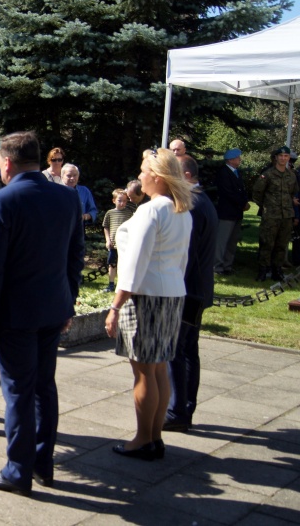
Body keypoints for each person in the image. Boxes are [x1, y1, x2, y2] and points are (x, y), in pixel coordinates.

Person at [0, 131, 84, 495]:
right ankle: (42, 464)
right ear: (38, 160)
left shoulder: (2, 201)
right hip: (53, 308)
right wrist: (68, 303)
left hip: (15, 315)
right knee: (43, 388)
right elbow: (75, 257)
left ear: (6, 163)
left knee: (18, 392)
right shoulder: (67, 199)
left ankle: (18, 471)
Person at [105, 147, 192, 462]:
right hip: (170, 294)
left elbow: (134, 265)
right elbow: (181, 260)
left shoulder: (152, 210)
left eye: (143, 170)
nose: (140, 176)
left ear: (156, 175)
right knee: (157, 371)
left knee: (144, 373)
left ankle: (144, 438)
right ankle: (154, 438)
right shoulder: (180, 209)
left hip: (144, 298)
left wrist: (115, 307)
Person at [165, 158, 218, 433]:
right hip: (197, 288)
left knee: (179, 351)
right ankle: (184, 407)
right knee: (187, 350)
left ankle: (178, 410)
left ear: (186, 175)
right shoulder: (201, 200)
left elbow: (187, 253)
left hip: (188, 290)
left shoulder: (193, 205)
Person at [252, 146, 299, 281]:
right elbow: (257, 193)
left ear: (288, 158)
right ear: (276, 157)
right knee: (267, 243)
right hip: (271, 215)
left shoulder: (292, 175)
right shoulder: (268, 174)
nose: (283, 158)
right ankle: (262, 270)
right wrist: (266, 205)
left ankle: (277, 271)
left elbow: (292, 193)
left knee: (281, 244)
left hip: (286, 215)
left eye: (286, 156)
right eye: (281, 156)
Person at [213, 148, 250, 275]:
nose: (239, 160)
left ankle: (227, 266)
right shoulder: (223, 173)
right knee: (222, 241)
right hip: (226, 212)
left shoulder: (237, 172)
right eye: (237, 158)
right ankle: (217, 267)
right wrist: (242, 203)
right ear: (230, 160)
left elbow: (242, 190)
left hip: (236, 212)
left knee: (232, 241)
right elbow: (228, 192)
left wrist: (245, 201)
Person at [102, 189, 133, 292]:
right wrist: (108, 240)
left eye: (125, 201)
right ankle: (111, 284)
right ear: (114, 200)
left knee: (124, 265)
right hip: (113, 245)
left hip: (125, 245)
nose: (122, 203)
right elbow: (105, 226)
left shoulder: (129, 213)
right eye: (120, 200)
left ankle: (122, 285)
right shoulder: (110, 213)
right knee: (112, 264)